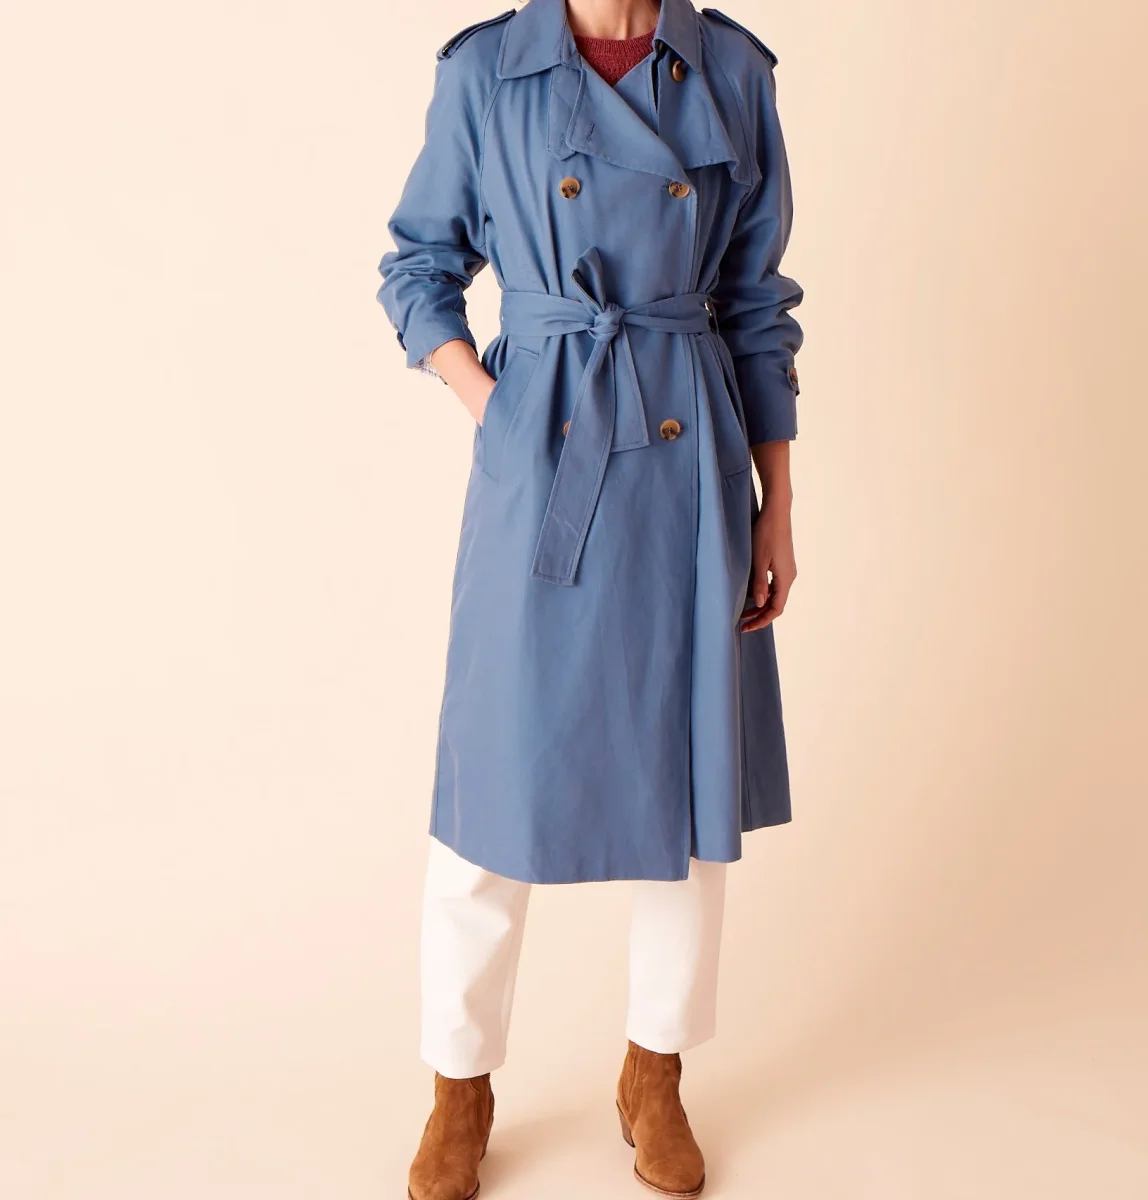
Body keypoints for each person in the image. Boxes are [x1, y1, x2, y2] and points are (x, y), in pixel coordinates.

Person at [375, 0, 803, 1194]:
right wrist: (496, 407)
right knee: (491, 785)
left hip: (687, 461)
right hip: (547, 453)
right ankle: (458, 1083)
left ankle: (654, 1072)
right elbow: (416, 266)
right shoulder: (486, 72)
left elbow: (756, 302)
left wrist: (775, 501)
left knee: (681, 793)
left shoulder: (730, 70)